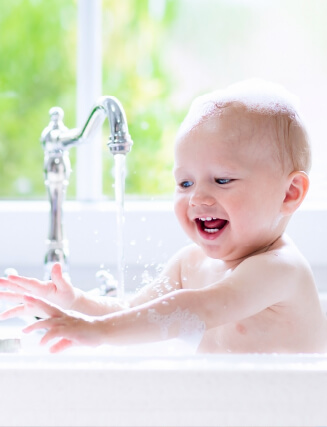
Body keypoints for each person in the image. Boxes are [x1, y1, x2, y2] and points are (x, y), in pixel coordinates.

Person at [1, 79, 326, 354]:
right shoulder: (190, 264)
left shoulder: (280, 269)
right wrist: (75, 302)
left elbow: (198, 308)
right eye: (185, 182)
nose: (197, 197)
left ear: (290, 193)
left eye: (223, 180)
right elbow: (132, 313)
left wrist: (97, 331)